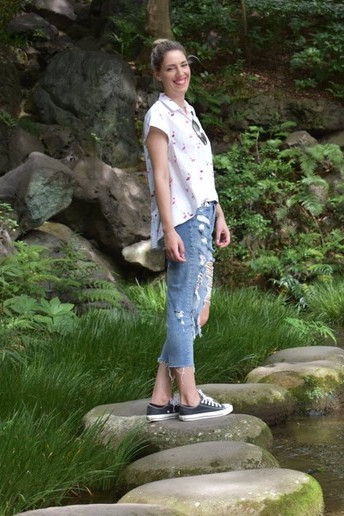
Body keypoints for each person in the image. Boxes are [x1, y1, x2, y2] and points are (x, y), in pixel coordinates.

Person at [142, 38, 233, 422]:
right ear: (158, 75)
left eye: (184, 65)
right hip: (182, 219)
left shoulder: (187, 111)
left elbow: (200, 173)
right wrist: (169, 229)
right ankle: (190, 399)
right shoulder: (159, 116)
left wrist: (219, 213)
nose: (181, 74)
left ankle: (161, 398)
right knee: (184, 307)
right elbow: (162, 177)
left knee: (197, 310)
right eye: (171, 69)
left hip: (203, 215)